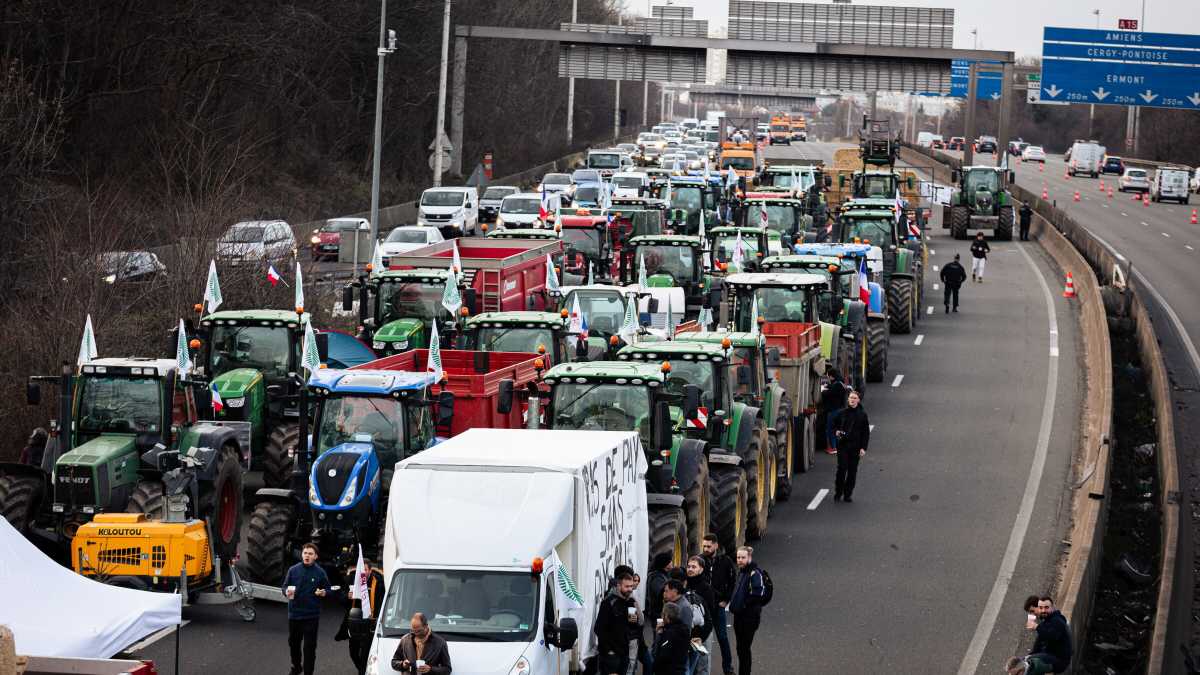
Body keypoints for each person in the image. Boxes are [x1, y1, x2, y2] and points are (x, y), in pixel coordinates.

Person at [281, 542, 330, 675]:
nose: (307, 556)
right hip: (295, 615)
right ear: (302, 554)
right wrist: (286, 592)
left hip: (311, 617)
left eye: (310, 554)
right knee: (293, 644)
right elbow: (284, 587)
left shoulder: (320, 572)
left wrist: (324, 592)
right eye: (305, 553)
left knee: (309, 648)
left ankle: (308, 672)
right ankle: (296, 667)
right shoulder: (293, 570)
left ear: (316, 557)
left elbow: (328, 588)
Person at [336, 559, 385, 675]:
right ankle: (363, 670)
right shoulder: (351, 581)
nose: (362, 573)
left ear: (370, 570)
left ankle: (363, 671)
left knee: (365, 655)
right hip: (354, 622)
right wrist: (347, 597)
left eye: (365, 570)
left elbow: (383, 602)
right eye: (360, 570)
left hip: (370, 623)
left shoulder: (378, 582)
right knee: (353, 652)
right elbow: (340, 600)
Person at [700, 535, 736, 675]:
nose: (706, 549)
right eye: (704, 546)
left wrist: (726, 600)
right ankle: (700, 669)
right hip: (703, 608)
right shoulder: (700, 560)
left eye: (709, 546)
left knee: (722, 638)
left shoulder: (725, 561)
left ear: (716, 545)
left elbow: (732, 581)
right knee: (700, 639)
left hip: (718, 607)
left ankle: (728, 668)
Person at [728, 546, 766, 675]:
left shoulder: (755, 573)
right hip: (739, 617)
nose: (739, 560)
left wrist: (743, 605)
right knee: (741, 648)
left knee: (744, 649)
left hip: (749, 618)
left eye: (743, 557)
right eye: (738, 557)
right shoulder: (743, 571)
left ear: (749, 557)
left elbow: (757, 594)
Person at [596, 571, 638, 675]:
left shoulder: (630, 602)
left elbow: (632, 626)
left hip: (624, 652)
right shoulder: (608, 602)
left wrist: (634, 620)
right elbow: (599, 628)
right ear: (619, 586)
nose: (630, 589)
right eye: (627, 586)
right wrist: (609, 650)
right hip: (611, 655)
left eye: (631, 586)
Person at [832, 390, 869, 502]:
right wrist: (836, 432)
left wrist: (863, 448)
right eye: (850, 398)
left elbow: (865, 433)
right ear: (848, 399)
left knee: (852, 471)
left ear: (858, 400)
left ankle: (848, 494)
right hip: (843, 445)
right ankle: (838, 492)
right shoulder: (841, 413)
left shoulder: (862, 415)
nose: (852, 400)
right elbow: (833, 426)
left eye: (854, 398)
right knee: (842, 468)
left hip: (855, 447)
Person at [685, 556, 717, 675]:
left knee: (702, 667)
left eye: (694, 567)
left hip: (703, 633)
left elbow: (710, 616)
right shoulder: (684, 585)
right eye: (688, 566)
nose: (690, 569)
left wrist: (701, 637)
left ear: (701, 569)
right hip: (687, 634)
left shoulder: (706, 589)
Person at [1027, 596, 1072, 674]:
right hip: (1051, 655)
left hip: (1059, 661)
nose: (1043, 610)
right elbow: (1039, 642)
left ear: (1052, 607)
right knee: (1025, 660)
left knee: (1030, 664)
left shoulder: (1057, 620)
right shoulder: (1046, 622)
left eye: (1046, 607)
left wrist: (1036, 627)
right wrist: (1030, 655)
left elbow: (1053, 636)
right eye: (1041, 608)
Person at [653, 602, 691, 675]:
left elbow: (661, 655)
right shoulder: (684, 629)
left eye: (662, 614)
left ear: (666, 616)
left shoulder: (669, 633)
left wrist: (659, 634)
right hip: (681, 669)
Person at [820, 368, 847, 455]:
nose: (828, 378)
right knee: (837, 429)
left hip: (834, 411)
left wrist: (823, 391)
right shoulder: (841, 383)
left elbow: (828, 394)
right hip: (841, 410)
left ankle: (833, 447)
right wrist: (827, 386)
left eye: (828, 376)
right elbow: (831, 387)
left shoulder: (837, 386)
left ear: (831, 376)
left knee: (830, 429)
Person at [646, 553, 674, 628]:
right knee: (659, 635)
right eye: (670, 560)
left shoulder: (664, 575)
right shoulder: (657, 577)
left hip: (662, 613)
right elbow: (662, 593)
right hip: (658, 615)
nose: (672, 562)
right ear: (665, 563)